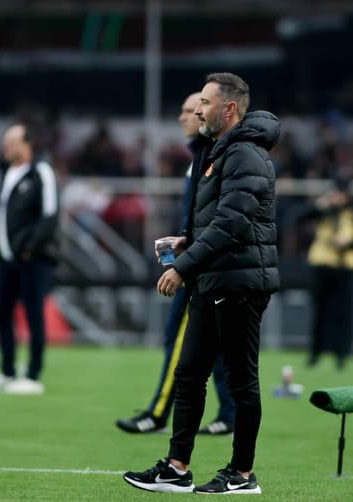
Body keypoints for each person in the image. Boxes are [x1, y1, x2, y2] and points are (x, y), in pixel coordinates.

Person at [123, 72, 280, 494]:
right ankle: (177, 468)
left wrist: (183, 266)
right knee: (189, 373)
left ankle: (243, 474)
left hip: (240, 282)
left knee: (242, 379)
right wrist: (186, 241)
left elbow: (231, 225)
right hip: (215, 279)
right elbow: (220, 222)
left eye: (205, 103)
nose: (196, 110)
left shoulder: (245, 154)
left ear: (229, 109)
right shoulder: (220, 151)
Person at [116, 92, 235, 435]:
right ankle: (229, 414)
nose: (186, 116)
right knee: (216, 349)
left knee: (180, 341)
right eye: (185, 110)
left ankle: (157, 414)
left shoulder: (213, 156)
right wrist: (183, 237)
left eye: (192, 109)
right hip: (200, 259)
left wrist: (189, 254)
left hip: (201, 267)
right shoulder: (200, 156)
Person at [0, 123, 59, 395]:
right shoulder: (3, 173)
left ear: (28, 144)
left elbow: (49, 216)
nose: (6, 146)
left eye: (12, 141)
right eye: (6, 141)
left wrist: (29, 248)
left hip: (32, 259)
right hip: (5, 258)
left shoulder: (40, 172)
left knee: (34, 313)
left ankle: (34, 375)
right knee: (1, 309)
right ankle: (7, 370)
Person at [301, 174, 353, 369]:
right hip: (323, 264)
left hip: (346, 266)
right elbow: (301, 217)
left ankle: (342, 354)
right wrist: (321, 205)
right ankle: (315, 352)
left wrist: (349, 243)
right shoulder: (325, 209)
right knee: (320, 310)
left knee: (344, 312)